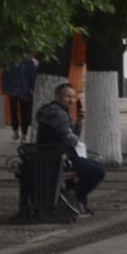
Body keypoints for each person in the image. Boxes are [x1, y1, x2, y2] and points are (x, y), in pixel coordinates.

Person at [35, 82, 105, 213]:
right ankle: (74, 195)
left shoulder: (53, 111)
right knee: (97, 170)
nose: (71, 100)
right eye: (67, 96)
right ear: (57, 97)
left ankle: (75, 200)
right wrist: (76, 141)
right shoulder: (58, 113)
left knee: (91, 165)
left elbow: (71, 136)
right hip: (57, 159)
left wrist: (78, 123)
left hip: (51, 156)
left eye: (73, 97)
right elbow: (70, 139)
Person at [2, 53, 39, 141]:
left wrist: (32, 88)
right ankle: (15, 131)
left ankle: (24, 134)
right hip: (13, 89)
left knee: (24, 112)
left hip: (25, 90)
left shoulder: (30, 63)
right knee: (13, 110)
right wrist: (5, 88)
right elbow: (5, 75)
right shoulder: (10, 62)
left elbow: (33, 76)